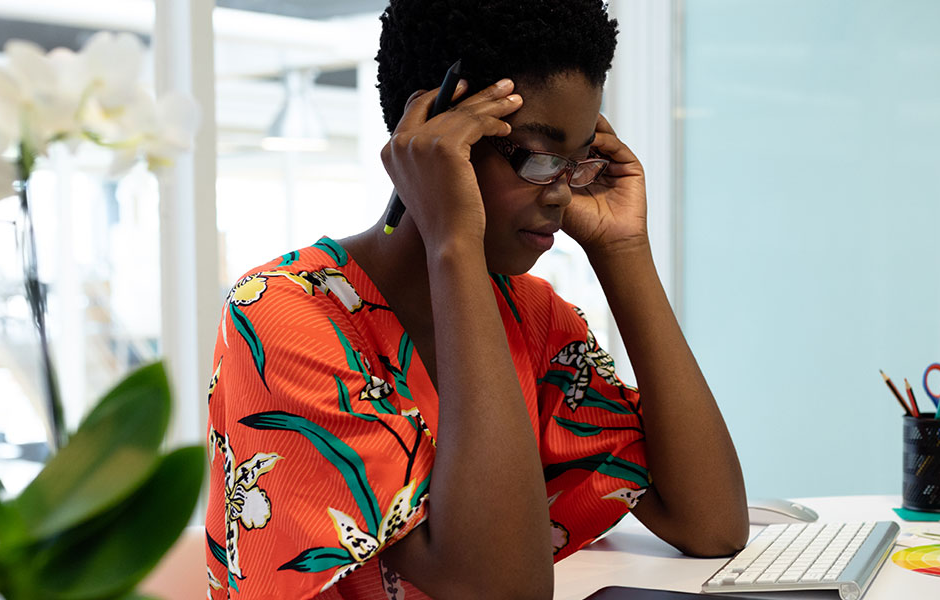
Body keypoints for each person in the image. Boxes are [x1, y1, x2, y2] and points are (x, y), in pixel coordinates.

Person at [205, 1, 746, 597]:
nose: (563, 194)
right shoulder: (282, 315)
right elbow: (502, 590)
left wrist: (624, 251)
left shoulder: (533, 316)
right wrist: (453, 242)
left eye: (578, 161)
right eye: (539, 157)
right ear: (434, 139)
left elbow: (712, 523)